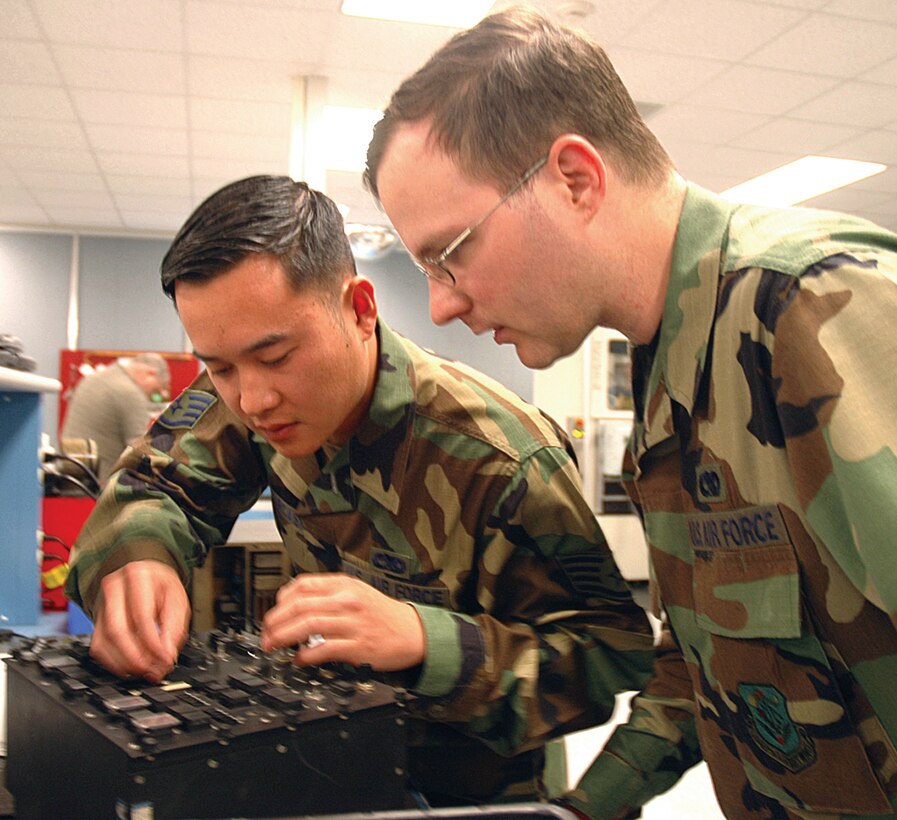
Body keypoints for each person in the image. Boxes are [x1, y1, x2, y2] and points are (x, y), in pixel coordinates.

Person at [364, 6, 897, 819]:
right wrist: (583, 810)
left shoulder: (806, 305)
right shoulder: (668, 383)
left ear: (573, 179)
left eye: (451, 252)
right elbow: (704, 668)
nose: (439, 306)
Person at [65, 175, 656, 808]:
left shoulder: (503, 459)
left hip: (466, 790)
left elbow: (609, 654)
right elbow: (158, 485)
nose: (253, 399)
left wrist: (427, 641)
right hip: (322, 764)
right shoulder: (242, 395)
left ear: (360, 309)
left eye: (277, 356)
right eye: (220, 366)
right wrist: (138, 554)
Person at [61, 352, 170, 483]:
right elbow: (142, 451)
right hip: (102, 485)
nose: (151, 396)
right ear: (150, 374)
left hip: (73, 477)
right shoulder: (129, 393)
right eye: (154, 390)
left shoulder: (94, 379)